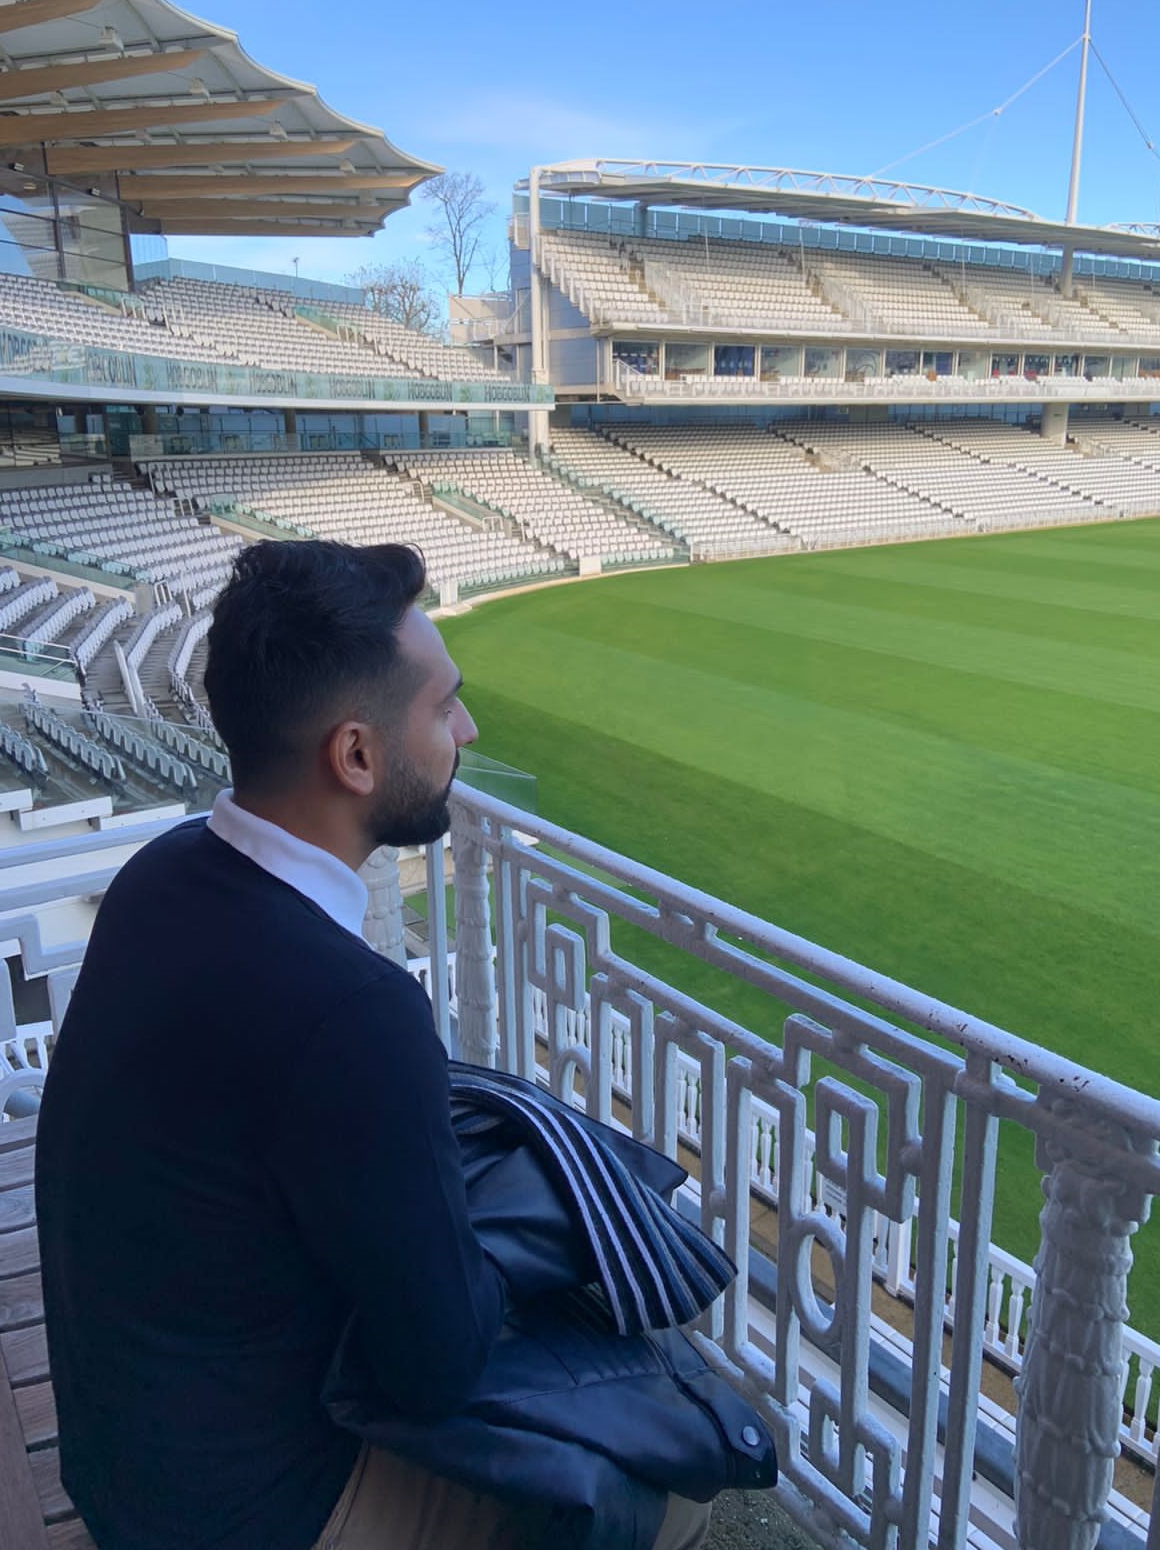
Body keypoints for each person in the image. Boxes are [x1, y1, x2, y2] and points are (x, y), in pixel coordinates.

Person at [34, 538, 711, 1550]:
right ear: (355, 755)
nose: (466, 729)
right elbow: (438, 1364)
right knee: (684, 1490)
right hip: (241, 1511)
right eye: (443, 708)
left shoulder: (161, 873)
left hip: (122, 1452)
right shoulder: (354, 1010)